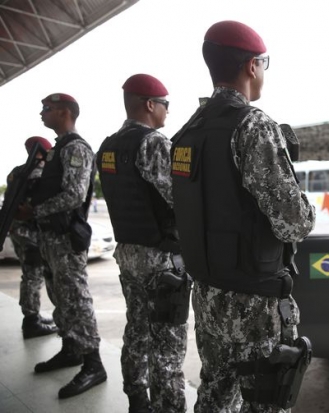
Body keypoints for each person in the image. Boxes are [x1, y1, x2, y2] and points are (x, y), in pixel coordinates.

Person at [170, 21, 316, 412]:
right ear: (252, 66)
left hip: (208, 296)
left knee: (215, 395)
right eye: (263, 63)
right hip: (253, 304)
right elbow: (293, 222)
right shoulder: (253, 126)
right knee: (265, 403)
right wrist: (309, 207)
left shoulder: (186, 134)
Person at [96, 74, 188, 413]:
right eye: (165, 105)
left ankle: (137, 398)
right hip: (161, 260)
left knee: (137, 328)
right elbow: (179, 200)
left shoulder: (107, 147)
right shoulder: (153, 143)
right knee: (168, 343)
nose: (167, 113)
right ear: (149, 105)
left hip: (128, 254)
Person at [23, 93, 107, 399]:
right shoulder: (58, 149)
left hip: (65, 237)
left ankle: (94, 363)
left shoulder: (75, 148)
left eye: (46, 109)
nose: (41, 114)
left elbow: (73, 195)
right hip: (50, 237)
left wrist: (35, 211)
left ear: (64, 112)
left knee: (76, 298)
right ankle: (71, 349)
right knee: (60, 297)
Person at [7, 136, 58, 339]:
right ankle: (31, 321)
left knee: (29, 275)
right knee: (33, 276)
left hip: (18, 232)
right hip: (32, 234)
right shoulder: (40, 173)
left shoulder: (17, 172)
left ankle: (32, 316)